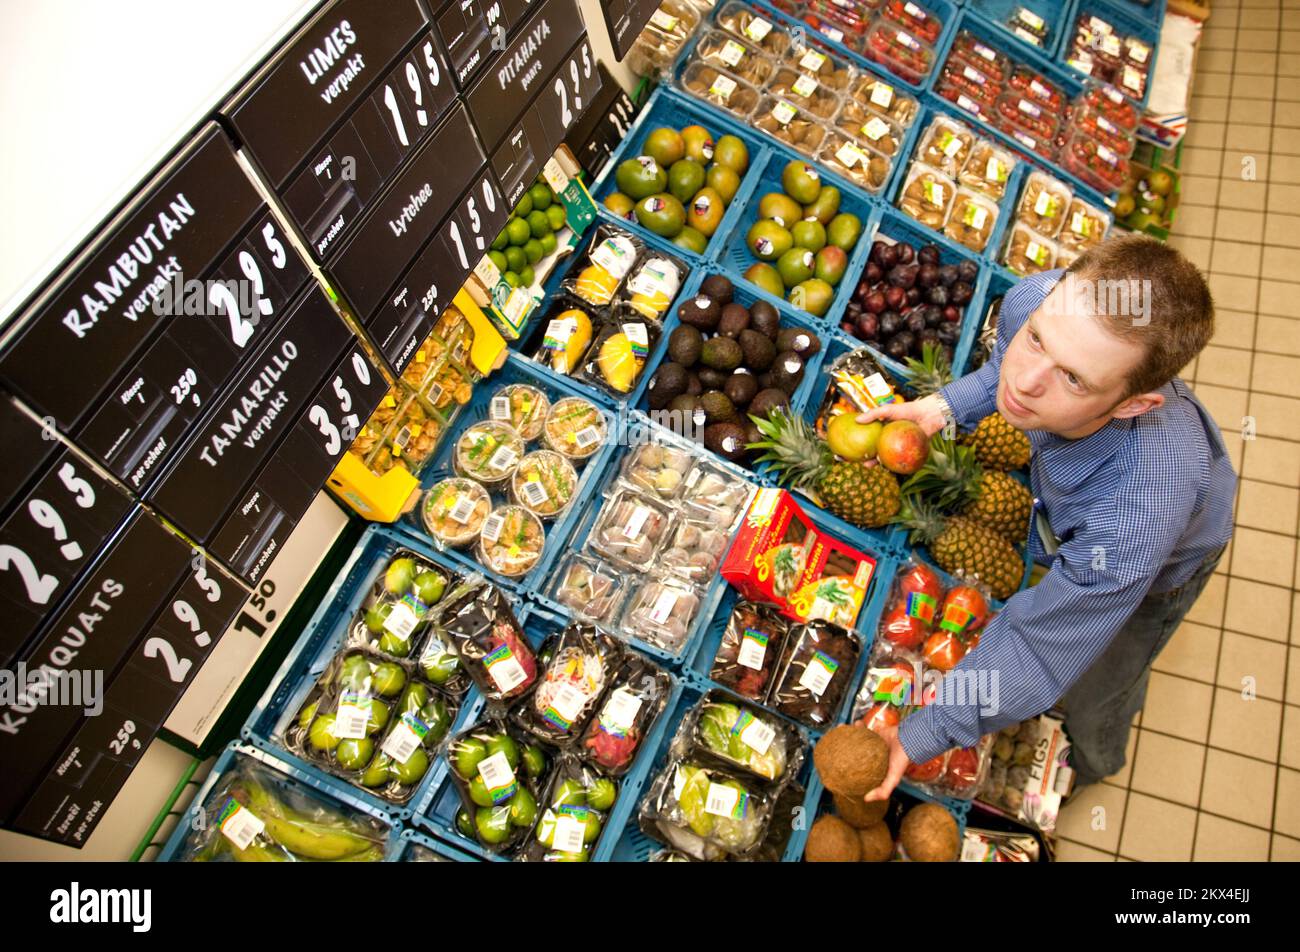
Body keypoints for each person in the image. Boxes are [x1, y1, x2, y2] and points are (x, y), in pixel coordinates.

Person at [857, 234, 1236, 802]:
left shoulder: (1140, 508)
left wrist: (922, 733)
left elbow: (1043, 643)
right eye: (1037, 340)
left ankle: (1094, 758)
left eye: (1074, 378)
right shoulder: (1042, 300)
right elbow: (1003, 373)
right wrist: (941, 408)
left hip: (1167, 562)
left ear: (1133, 403)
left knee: (1101, 681)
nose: (1026, 381)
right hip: (1078, 512)